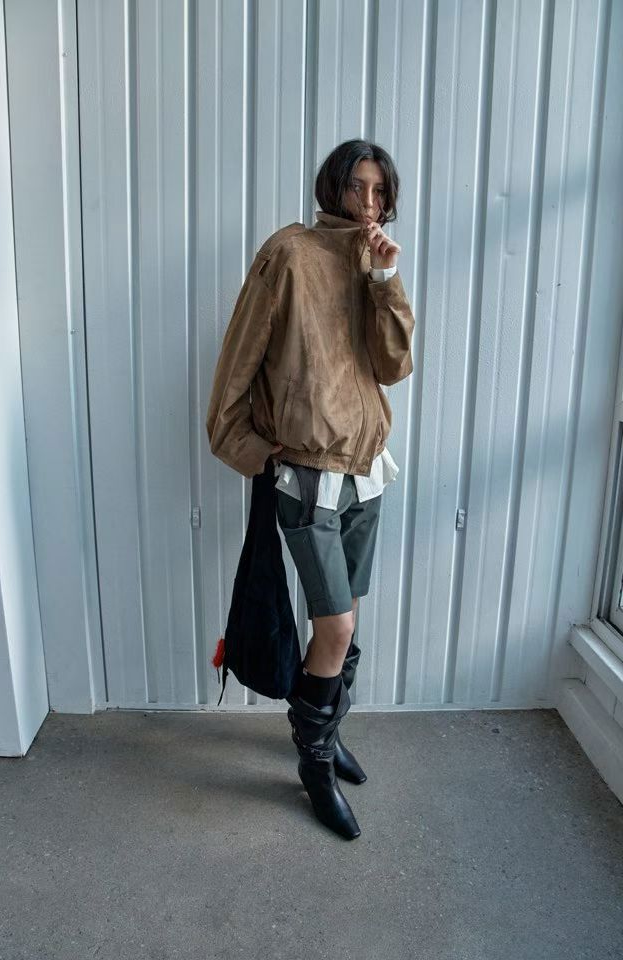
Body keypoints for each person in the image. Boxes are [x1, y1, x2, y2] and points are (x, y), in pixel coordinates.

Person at [206, 138, 415, 840]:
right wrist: (251, 452)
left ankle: (327, 730)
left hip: (366, 472)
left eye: (380, 191)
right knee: (338, 626)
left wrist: (386, 280)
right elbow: (237, 364)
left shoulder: (372, 260)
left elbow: (393, 367)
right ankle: (314, 761)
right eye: (358, 187)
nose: (369, 203)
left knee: (346, 621)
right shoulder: (289, 254)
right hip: (304, 475)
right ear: (333, 186)